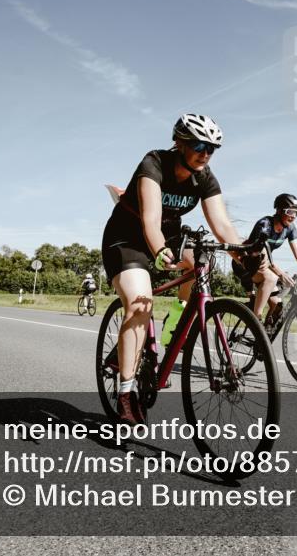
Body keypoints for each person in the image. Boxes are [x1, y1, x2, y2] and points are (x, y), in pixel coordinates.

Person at [101, 113, 248, 425]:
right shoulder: (154, 163)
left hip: (168, 237)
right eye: (199, 145)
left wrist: (242, 255)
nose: (205, 153)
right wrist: (159, 251)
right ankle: (127, 394)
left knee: (200, 262)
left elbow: (222, 224)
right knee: (140, 303)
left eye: (212, 148)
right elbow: (150, 220)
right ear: (179, 143)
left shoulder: (204, 176)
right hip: (128, 238)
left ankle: (174, 324)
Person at [233, 193, 297, 329]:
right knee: (271, 278)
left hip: (264, 265)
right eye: (290, 212)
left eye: (296, 213)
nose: (293, 216)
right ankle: (256, 324)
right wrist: (280, 273)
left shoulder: (290, 229)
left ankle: (264, 340)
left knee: (277, 304)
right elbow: (262, 254)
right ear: (279, 210)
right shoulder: (264, 225)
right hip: (246, 263)